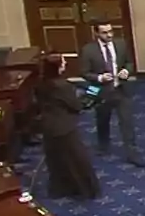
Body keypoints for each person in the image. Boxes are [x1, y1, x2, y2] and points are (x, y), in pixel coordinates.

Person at [80, 22, 144, 167]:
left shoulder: (120, 44)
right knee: (103, 120)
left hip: (121, 89)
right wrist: (99, 78)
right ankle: (103, 145)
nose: (109, 35)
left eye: (110, 31)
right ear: (96, 33)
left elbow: (129, 63)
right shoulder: (88, 50)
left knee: (127, 122)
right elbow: (84, 73)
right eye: (104, 32)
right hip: (102, 92)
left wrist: (127, 71)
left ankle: (132, 152)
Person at [36, 54, 100, 200]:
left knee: (57, 161)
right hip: (64, 128)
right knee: (77, 160)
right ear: (58, 67)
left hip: (48, 127)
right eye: (63, 62)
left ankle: (61, 189)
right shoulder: (63, 86)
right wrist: (88, 97)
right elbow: (76, 106)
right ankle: (86, 191)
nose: (65, 63)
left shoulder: (41, 82)